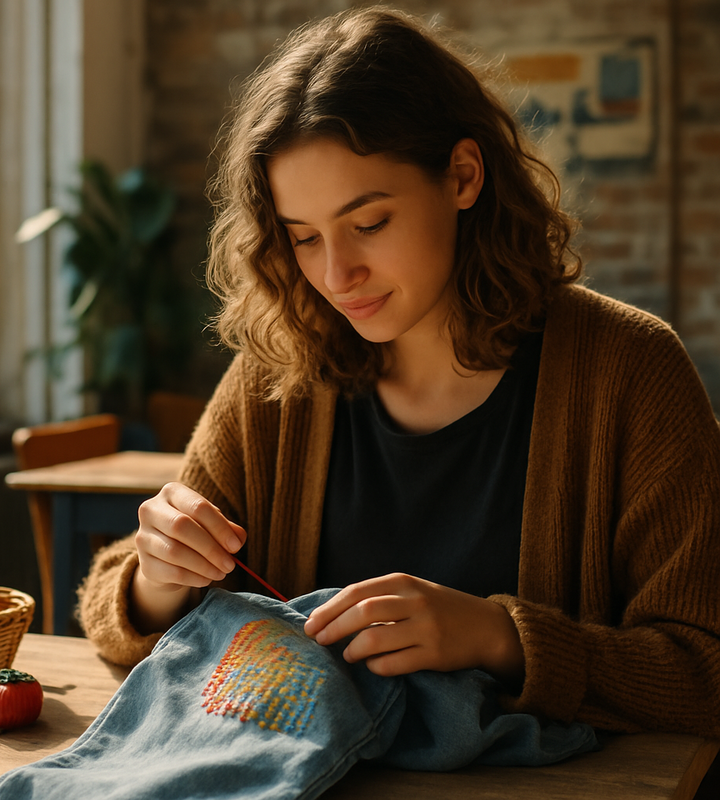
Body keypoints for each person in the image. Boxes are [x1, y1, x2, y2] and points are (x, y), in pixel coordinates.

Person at [78, 6, 720, 738]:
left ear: (463, 176)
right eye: (304, 237)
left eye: (369, 223)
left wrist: (500, 638)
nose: (336, 274)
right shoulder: (280, 374)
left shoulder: (630, 370)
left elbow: (704, 668)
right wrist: (157, 579)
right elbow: (113, 607)